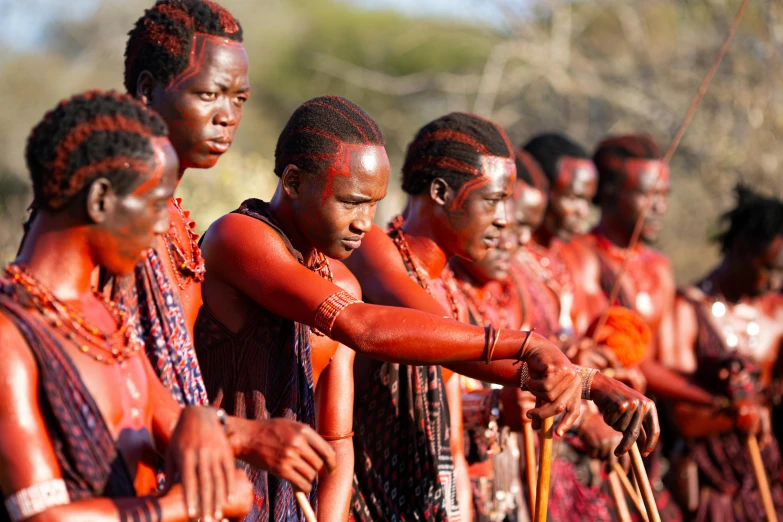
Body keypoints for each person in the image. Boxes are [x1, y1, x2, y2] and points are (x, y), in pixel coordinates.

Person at [195, 98, 660, 521]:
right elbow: (364, 328)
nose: (363, 222)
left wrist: (581, 383)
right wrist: (536, 350)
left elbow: (337, 443)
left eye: (374, 206)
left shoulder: (340, 279)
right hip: (219, 493)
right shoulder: (240, 237)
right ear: (294, 181)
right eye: (352, 202)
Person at [0, 90, 253, 522]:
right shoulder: (11, 333)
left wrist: (210, 429)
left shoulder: (105, 318)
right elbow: (43, 517)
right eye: (155, 205)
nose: (160, 228)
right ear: (100, 200)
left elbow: (170, 423)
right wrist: (186, 505)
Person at [672, 185, 783, 521]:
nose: (776, 280)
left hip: (768, 481)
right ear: (740, 248)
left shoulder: (778, 311)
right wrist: (734, 413)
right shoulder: (688, 309)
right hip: (713, 487)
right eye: (770, 267)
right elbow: (682, 416)